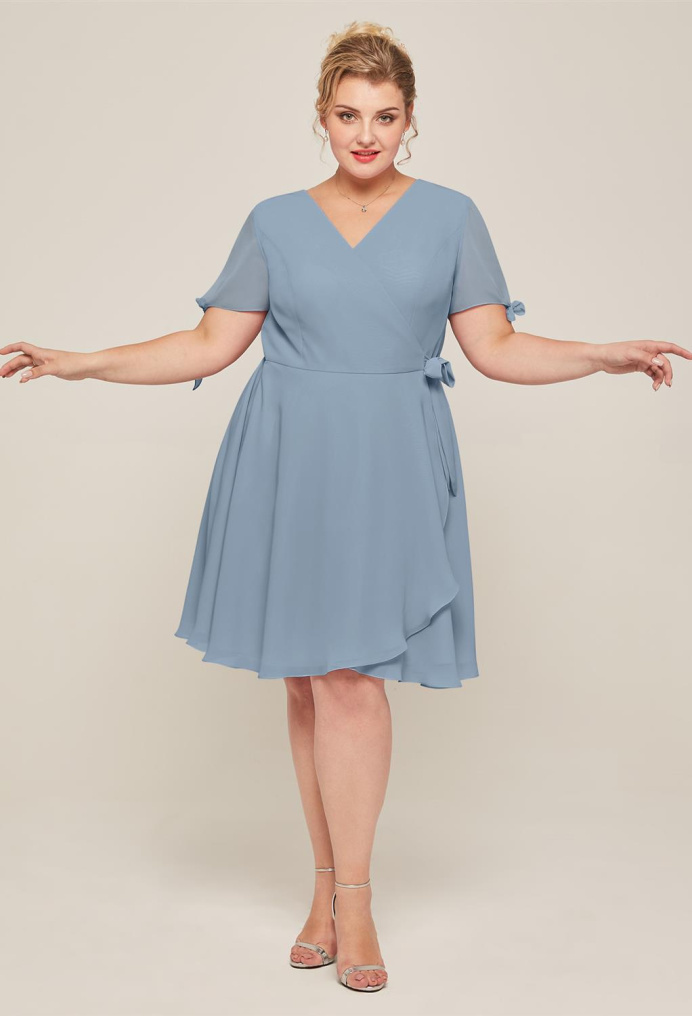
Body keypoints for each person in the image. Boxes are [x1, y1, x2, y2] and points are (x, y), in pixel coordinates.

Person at [2, 19, 690, 996]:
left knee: (351, 677)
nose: (365, 134)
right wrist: (80, 362)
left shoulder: (450, 216)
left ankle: (356, 900)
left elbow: (495, 348)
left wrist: (601, 354)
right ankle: (324, 888)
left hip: (389, 459)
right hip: (288, 454)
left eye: (385, 115)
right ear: (320, 117)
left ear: (410, 121)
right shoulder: (274, 221)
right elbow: (207, 345)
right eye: (347, 114)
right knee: (308, 681)